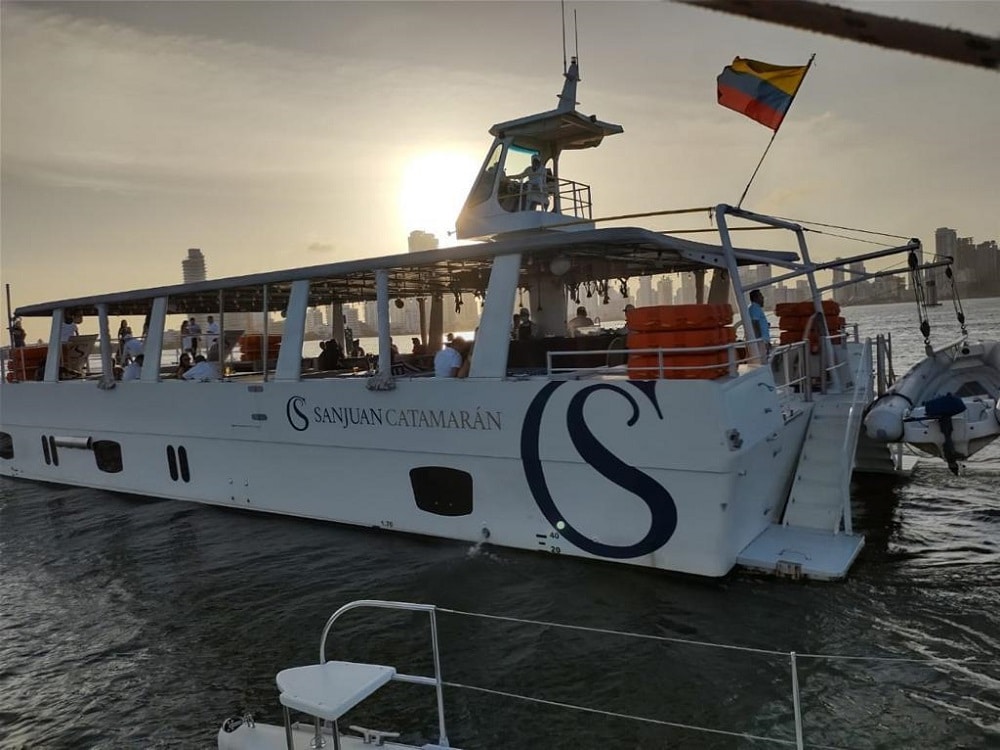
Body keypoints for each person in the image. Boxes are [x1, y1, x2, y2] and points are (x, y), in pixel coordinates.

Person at [748, 289, 771, 358]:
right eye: (761, 296)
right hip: (760, 342)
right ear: (756, 298)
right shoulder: (754, 307)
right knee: (762, 360)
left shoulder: (755, 307)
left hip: (762, 341)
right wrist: (760, 341)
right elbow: (755, 324)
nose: (763, 298)